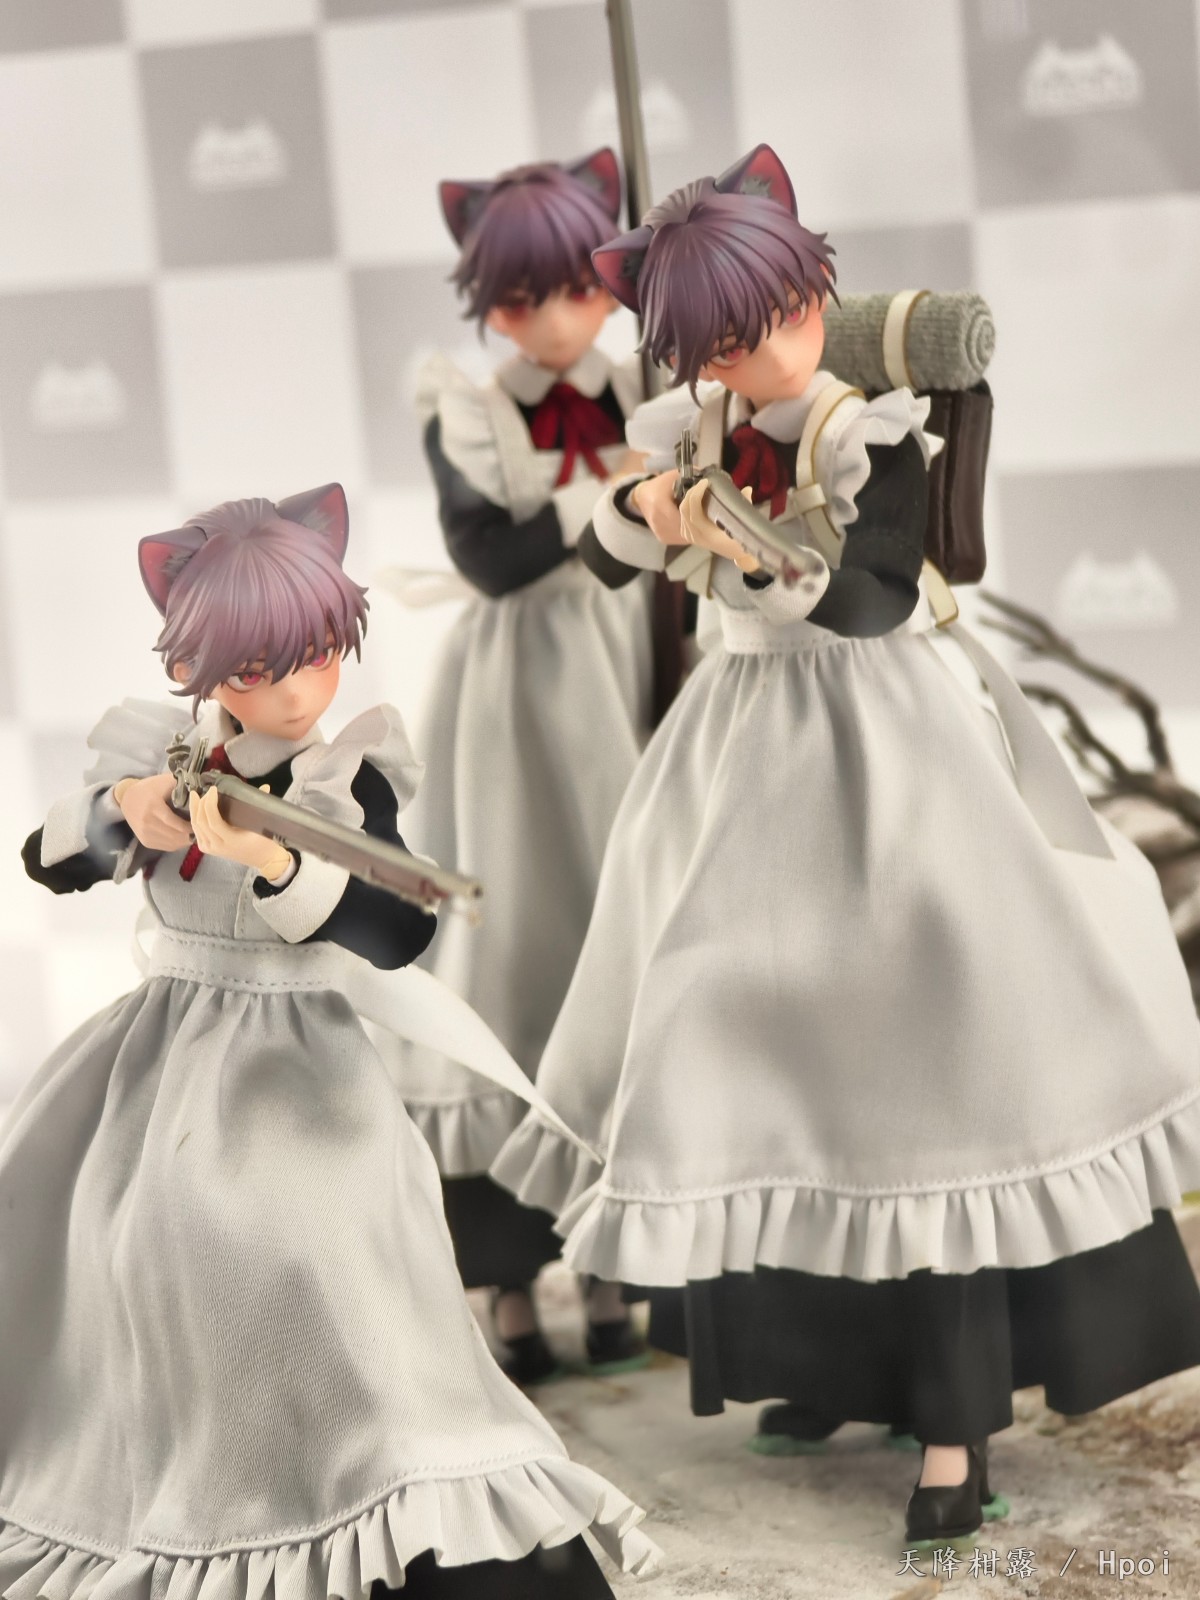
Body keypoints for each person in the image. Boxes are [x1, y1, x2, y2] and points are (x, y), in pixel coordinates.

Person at [491, 145, 1200, 1548]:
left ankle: (951, 1413)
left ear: (817, 293)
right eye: (723, 342)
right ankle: (820, 1365)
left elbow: (868, 594)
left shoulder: (864, 427)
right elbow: (604, 558)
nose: (759, 354)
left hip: (887, 746)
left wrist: (755, 554)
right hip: (743, 751)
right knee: (749, 1050)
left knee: (928, 1063)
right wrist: (650, 512)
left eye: (781, 317)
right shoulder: (692, 422)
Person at [1, 486, 655, 1597]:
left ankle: (367, 1484)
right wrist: (127, 808)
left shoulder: (343, 779)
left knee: (328, 1255)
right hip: (164, 1065)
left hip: (300, 1068)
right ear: (202, 667)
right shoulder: (164, 754)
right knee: (137, 1246)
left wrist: (277, 863)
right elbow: (46, 857)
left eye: (315, 655)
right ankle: (188, 1480)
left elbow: (401, 928)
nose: (298, 689)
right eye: (259, 668)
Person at [381, 151, 653, 1382]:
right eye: (521, 298)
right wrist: (616, 499)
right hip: (522, 694)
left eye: (579, 289)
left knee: (625, 941)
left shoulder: (649, 387)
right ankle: (503, 1281)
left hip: (633, 663)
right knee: (515, 951)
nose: (552, 321)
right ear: (488, 303)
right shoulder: (468, 408)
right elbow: (489, 556)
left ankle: (617, 1261)